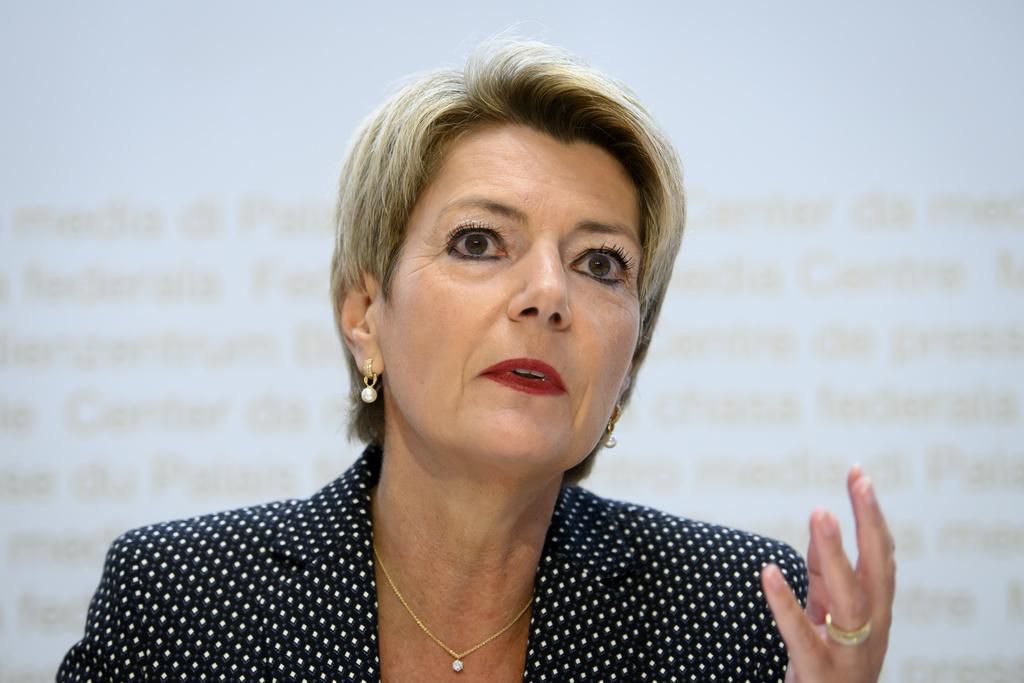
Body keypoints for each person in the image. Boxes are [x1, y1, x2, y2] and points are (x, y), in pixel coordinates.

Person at [59, 40, 894, 682]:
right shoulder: (175, 599)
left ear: (631, 360)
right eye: (479, 242)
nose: (548, 294)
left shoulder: (745, 617)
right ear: (364, 317)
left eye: (600, 262)